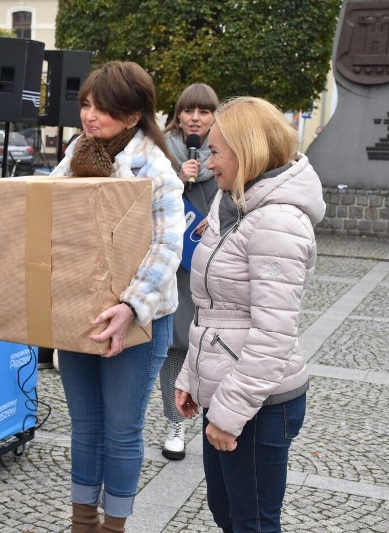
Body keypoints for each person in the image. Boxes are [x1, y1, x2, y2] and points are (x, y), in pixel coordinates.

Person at [175, 96, 325, 532]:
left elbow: (272, 335)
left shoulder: (277, 221)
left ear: (248, 152)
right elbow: (216, 313)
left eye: (216, 151)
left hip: (258, 405)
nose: (208, 161)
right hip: (228, 393)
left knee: (253, 524)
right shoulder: (237, 207)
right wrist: (191, 377)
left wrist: (227, 413)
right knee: (230, 516)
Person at [50, 61, 185, 533]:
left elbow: (168, 245)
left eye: (103, 109)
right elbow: (54, 218)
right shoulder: (75, 154)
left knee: (121, 429)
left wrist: (131, 306)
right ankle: (82, 522)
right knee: (85, 427)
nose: (90, 115)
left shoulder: (159, 169)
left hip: (137, 319)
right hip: (81, 310)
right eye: (86, 104)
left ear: (132, 116)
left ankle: (114, 526)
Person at [158, 83, 220, 460]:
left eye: (204, 112)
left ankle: (220, 419)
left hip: (215, 265)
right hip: (175, 264)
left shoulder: (228, 151)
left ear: (214, 118)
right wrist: (176, 179)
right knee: (176, 346)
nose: (196, 118)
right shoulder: (161, 150)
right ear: (178, 114)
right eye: (189, 110)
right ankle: (174, 422)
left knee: (219, 344)